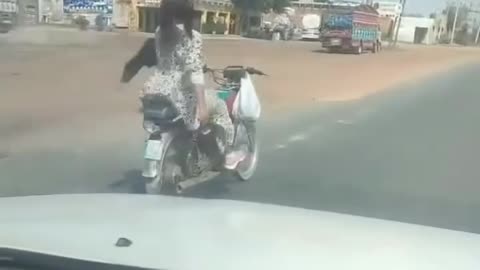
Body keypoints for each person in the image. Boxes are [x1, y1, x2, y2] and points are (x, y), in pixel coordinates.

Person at [134, 0, 244, 169]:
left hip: (156, 89)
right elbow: (196, 74)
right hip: (181, 94)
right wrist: (202, 107)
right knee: (220, 106)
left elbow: (173, 59)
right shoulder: (192, 36)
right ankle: (227, 153)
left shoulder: (159, 31)